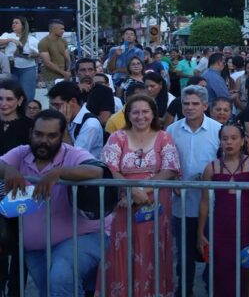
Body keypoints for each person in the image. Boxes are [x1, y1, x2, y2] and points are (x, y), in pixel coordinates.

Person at [0, 109, 104, 296]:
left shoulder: (72, 154)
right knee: (51, 291)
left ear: (62, 135)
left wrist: (60, 172)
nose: (43, 141)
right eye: (38, 134)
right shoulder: (21, 153)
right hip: (35, 248)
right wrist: (7, 169)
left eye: (51, 135)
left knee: (61, 278)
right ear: (31, 132)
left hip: (80, 238)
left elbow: (97, 170)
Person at [99, 94, 180, 296]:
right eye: (135, 112)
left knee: (151, 249)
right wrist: (130, 189)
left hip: (155, 202)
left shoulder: (164, 137)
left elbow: (169, 169)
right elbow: (110, 168)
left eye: (145, 111)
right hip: (124, 201)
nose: (140, 116)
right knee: (124, 248)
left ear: (153, 114)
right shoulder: (117, 137)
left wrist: (142, 191)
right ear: (128, 114)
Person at [166, 85, 222, 297]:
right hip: (181, 205)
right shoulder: (172, 130)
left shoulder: (217, 130)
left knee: (211, 251)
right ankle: (184, 290)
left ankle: (211, 289)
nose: (189, 108)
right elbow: (167, 162)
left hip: (212, 204)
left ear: (205, 106)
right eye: (186, 103)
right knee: (184, 253)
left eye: (195, 104)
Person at [198, 123, 249, 297]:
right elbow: (204, 202)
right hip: (220, 229)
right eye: (225, 139)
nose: (229, 142)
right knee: (221, 274)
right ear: (219, 142)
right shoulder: (211, 167)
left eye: (234, 138)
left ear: (242, 141)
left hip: (248, 228)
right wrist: (200, 233)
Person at [0, 80, 35, 295]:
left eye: (9, 99)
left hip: (18, 194)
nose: (3, 103)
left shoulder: (29, 126)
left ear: (20, 100)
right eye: (0, 99)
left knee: (20, 247)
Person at [48, 80, 103, 159]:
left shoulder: (90, 124)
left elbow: (74, 157)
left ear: (73, 101)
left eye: (58, 105)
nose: (54, 109)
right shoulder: (68, 119)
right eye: (52, 105)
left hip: (85, 169)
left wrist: (64, 127)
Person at [0, 16, 39, 102]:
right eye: (13, 22)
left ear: (23, 25)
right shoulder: (8, 35)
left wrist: (33, 55)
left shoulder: (31, 39)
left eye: (16, 23)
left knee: (27, 95)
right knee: (11, 94)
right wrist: (11, 40)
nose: (13, 24)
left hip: (27, 69)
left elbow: (39, 53)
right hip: (10, 68)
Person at [37, 19, 70, 90]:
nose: (63, 31)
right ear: (53, 29)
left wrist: (68, 71)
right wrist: (64, 73)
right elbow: (47, 63)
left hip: (64, 76)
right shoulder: (43, 42)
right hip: (51, 77)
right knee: (54, 99)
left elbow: (68, 59)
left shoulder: (63, 41)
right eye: (61, 29)